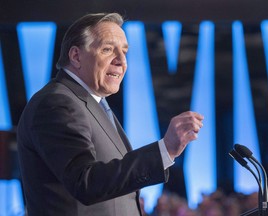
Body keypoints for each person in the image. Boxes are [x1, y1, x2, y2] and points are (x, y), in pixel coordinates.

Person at [17, 13, 204, 216]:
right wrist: (164, 150)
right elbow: (85, 182)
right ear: (76, 56)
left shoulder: (93, 103)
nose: (121, 61)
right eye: (107, 50)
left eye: (124, 52)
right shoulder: (57, 103)